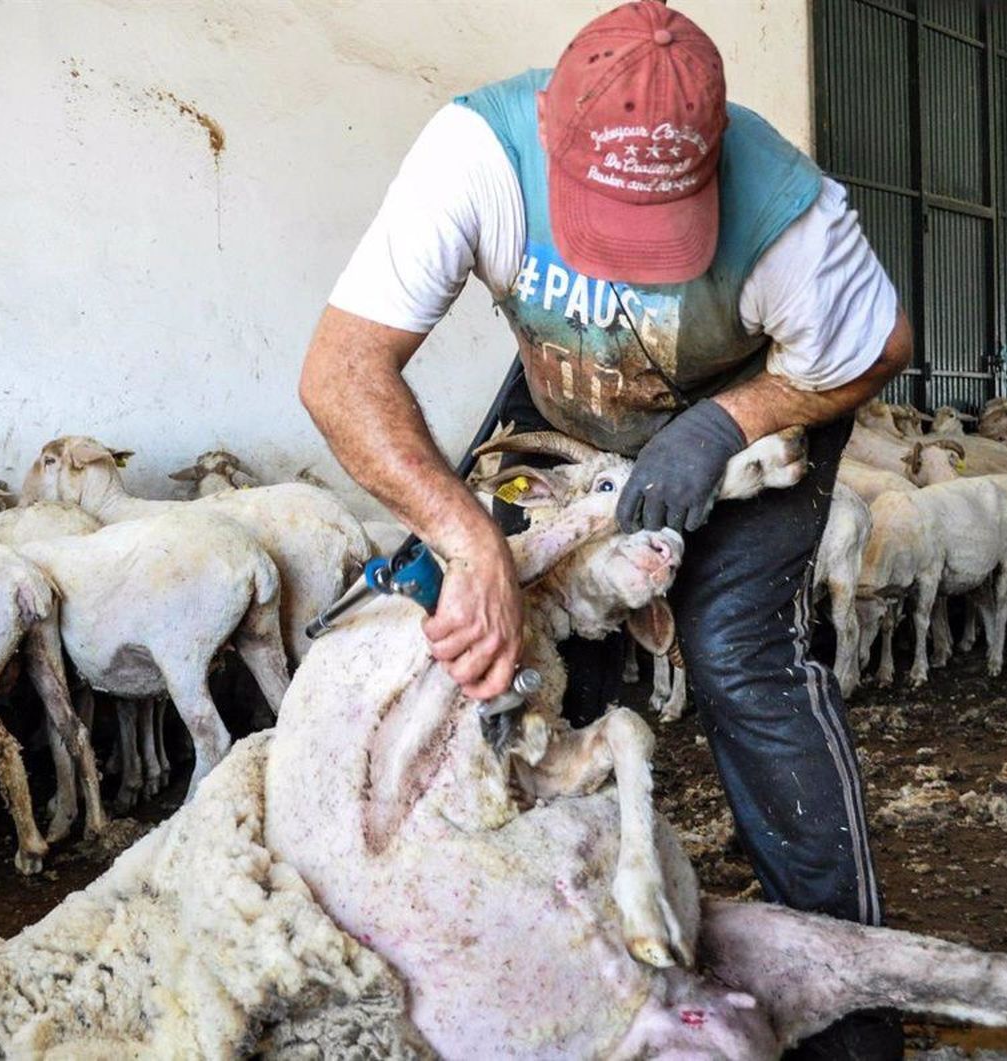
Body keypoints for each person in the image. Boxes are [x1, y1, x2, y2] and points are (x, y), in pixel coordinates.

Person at [298, 2, 911, 1056]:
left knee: (736, 658)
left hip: (743, 405)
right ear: (550, 129)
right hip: (566, 400)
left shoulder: (789, 218)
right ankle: (552, 971)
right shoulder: (475, 154)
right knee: (511, 669)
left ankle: (846, 1009)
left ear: (712, 166)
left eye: (659, 239)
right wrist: (468, 540)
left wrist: (725, 423)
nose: (630, 264)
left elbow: (877, 344)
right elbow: (341, 371)